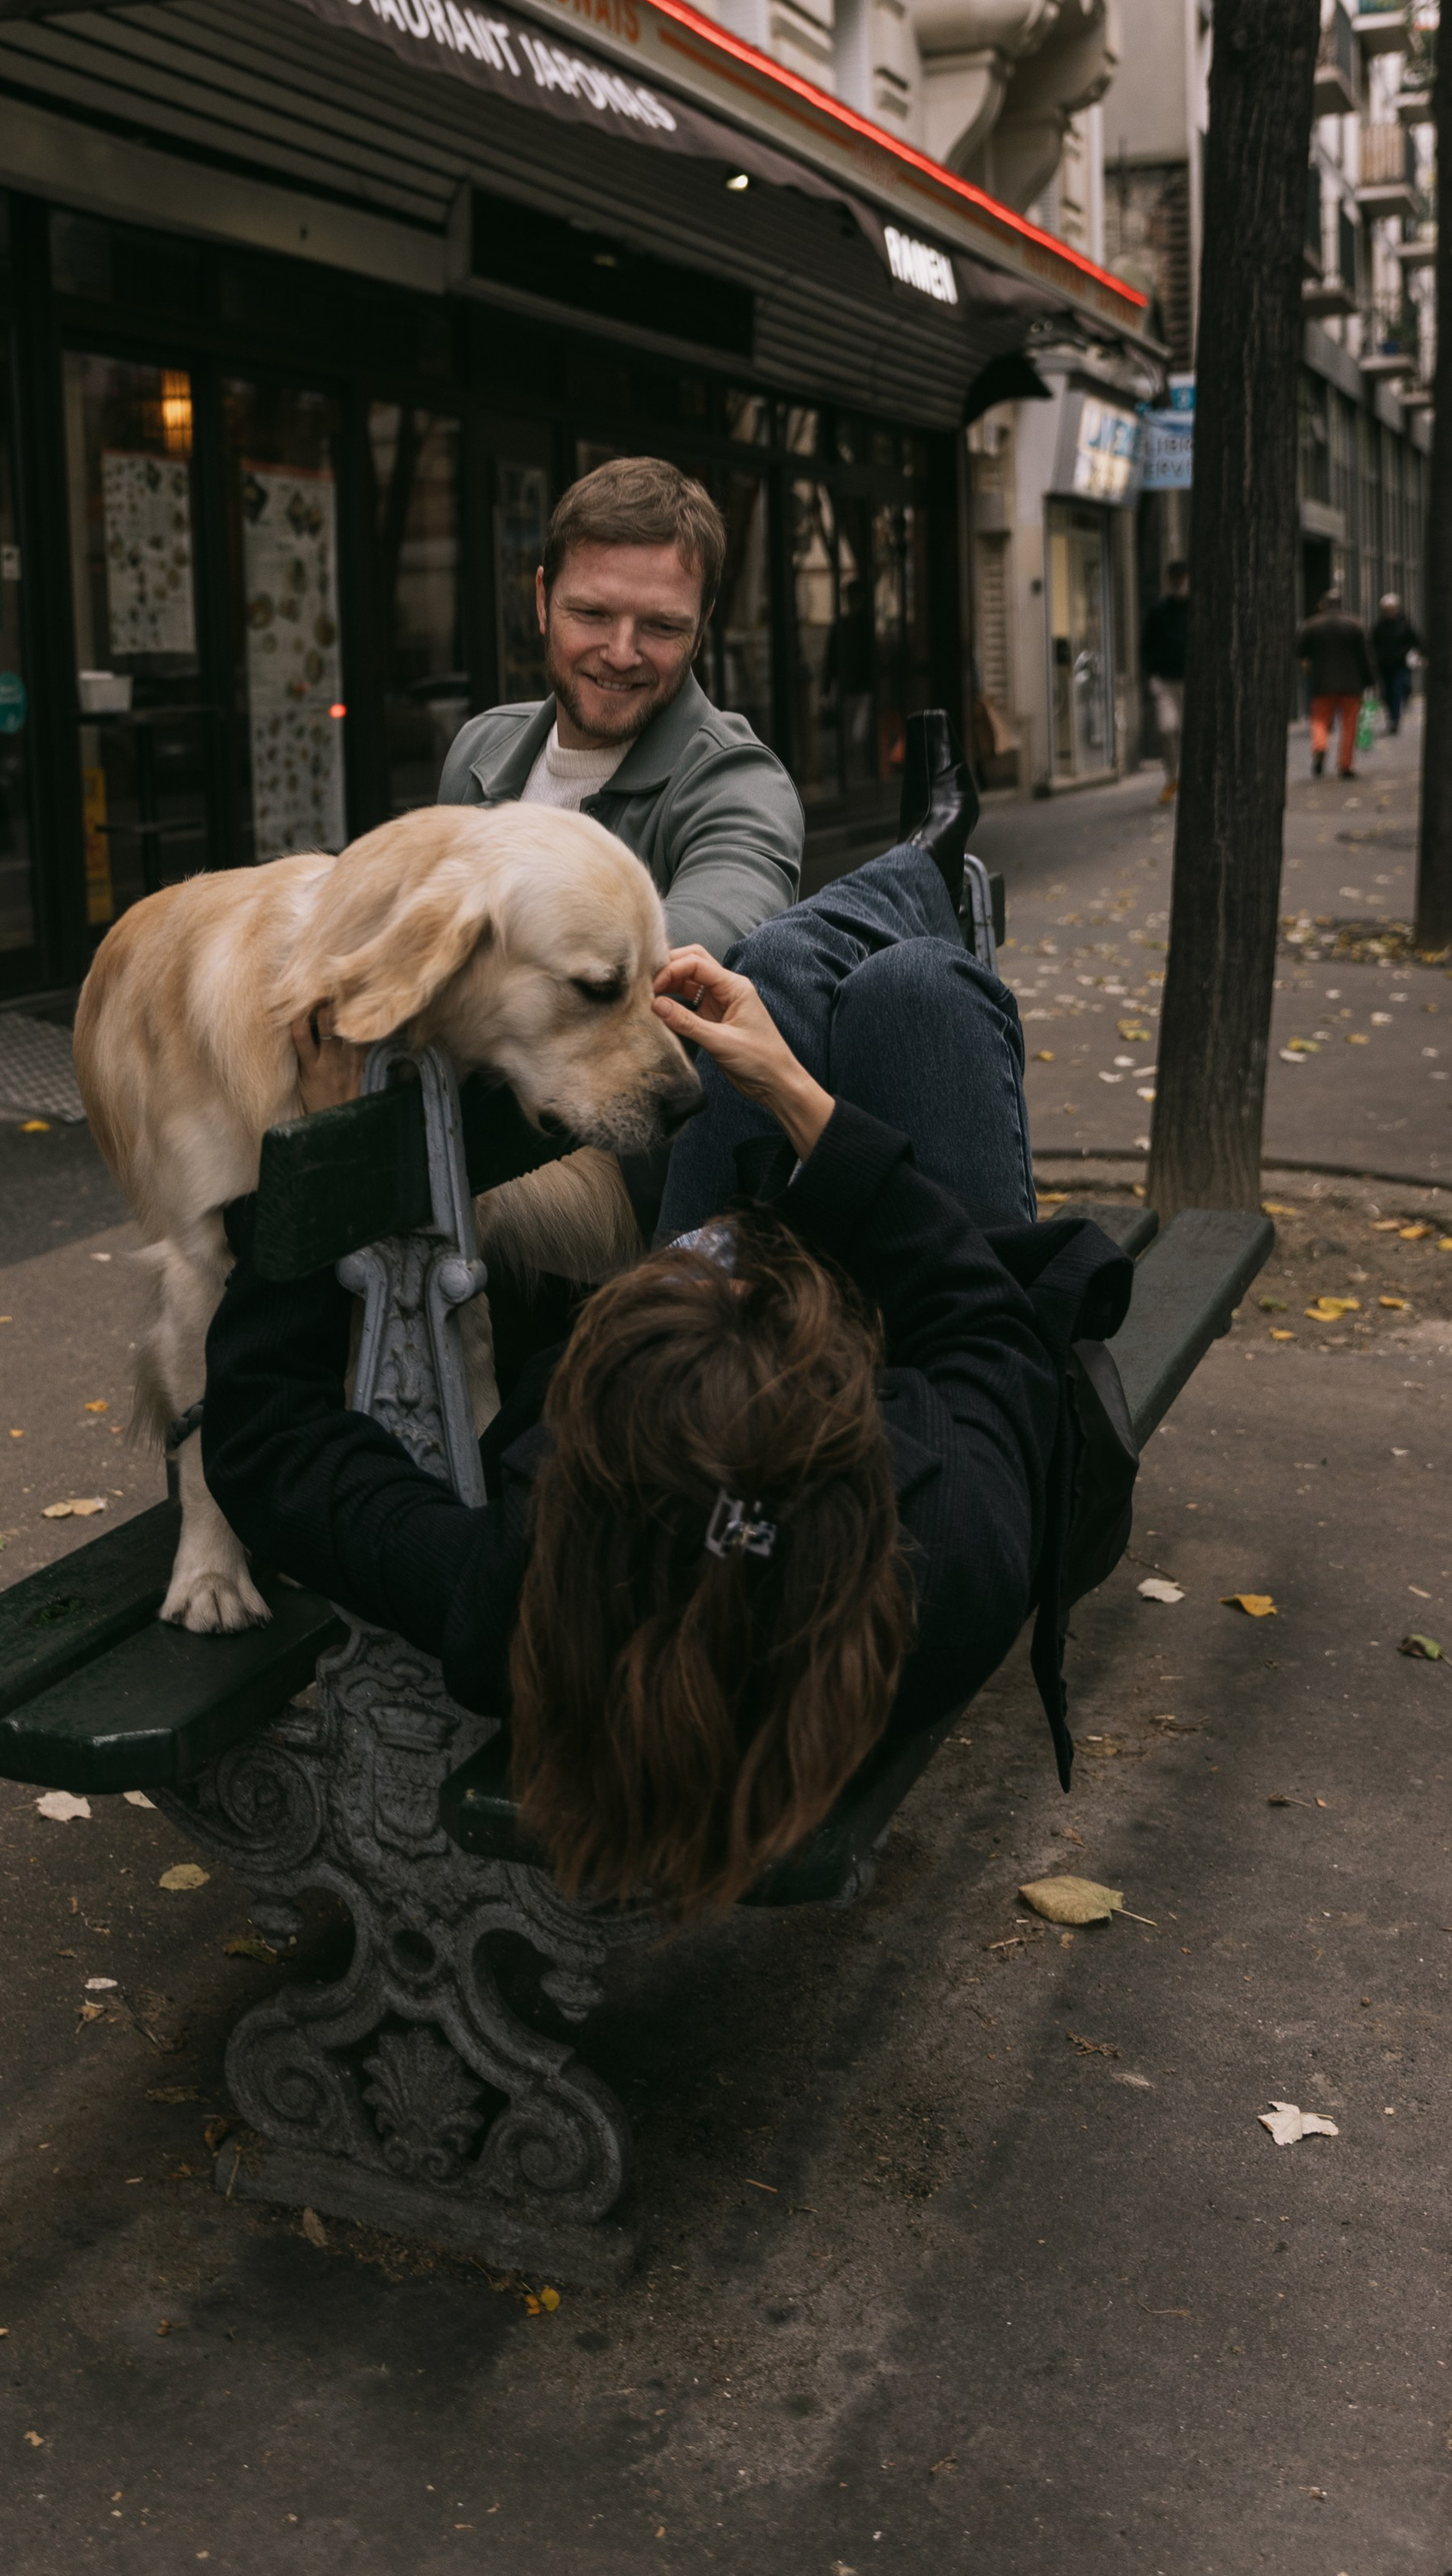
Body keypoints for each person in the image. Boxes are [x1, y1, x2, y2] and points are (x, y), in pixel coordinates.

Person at [199, 838, 1131, 1919]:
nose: (711, 1250)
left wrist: (317, 1140)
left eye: (674, 1274)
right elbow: (984, 1322)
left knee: (761, 973)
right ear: (841, 1388)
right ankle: (925, 862)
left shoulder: (529, 1583)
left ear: (579, 1445)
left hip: (744, 1398)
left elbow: (264, 1443)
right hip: (922, 1308)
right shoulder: (941, 1551)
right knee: (909, 984)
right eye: (733, 1280)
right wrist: (797, 1100)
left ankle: (898, 881)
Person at [438, 456, 804, 960]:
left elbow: (687, 967)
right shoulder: (479, 748)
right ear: (543, 601)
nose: (620, 653)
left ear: (700, 629)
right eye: (592, 613)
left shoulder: (740, 786)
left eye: (662, 626)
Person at [1297, 584, 1374, 780]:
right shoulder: (1355, 624)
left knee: (1320, 720)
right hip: (1351, 683)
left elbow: (1300, 651)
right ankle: (1345, 764)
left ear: (1323, 604)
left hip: (1322, 682)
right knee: (1349, 725)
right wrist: (1369, 680)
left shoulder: (1312, 625)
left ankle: (1320, 746)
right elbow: (1364, 656)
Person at [1139, 558, 1189, 803]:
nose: (1179, 586)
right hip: (1165, 681)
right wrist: (1151, 675)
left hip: (1190, 680)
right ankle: (1172, 778)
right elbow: (1146, 645)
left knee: (1187, 731)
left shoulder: (1197, 609)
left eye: (1182, 581)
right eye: (1175, 582)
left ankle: (1188, 778)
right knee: (1167, 728)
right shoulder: (1159, 610)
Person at [1371, 592, 1423, 738]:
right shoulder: (1379, 626)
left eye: (1392, 609)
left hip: (1400, 664)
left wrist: (1413, 654)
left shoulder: (1404, 624)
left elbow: (1415, 640)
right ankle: (1392, 716)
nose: (1390, 612)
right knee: (1387, 693)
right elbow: (1373, 643)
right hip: (1384, 665)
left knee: (1397, 689)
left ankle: (1395, 719)